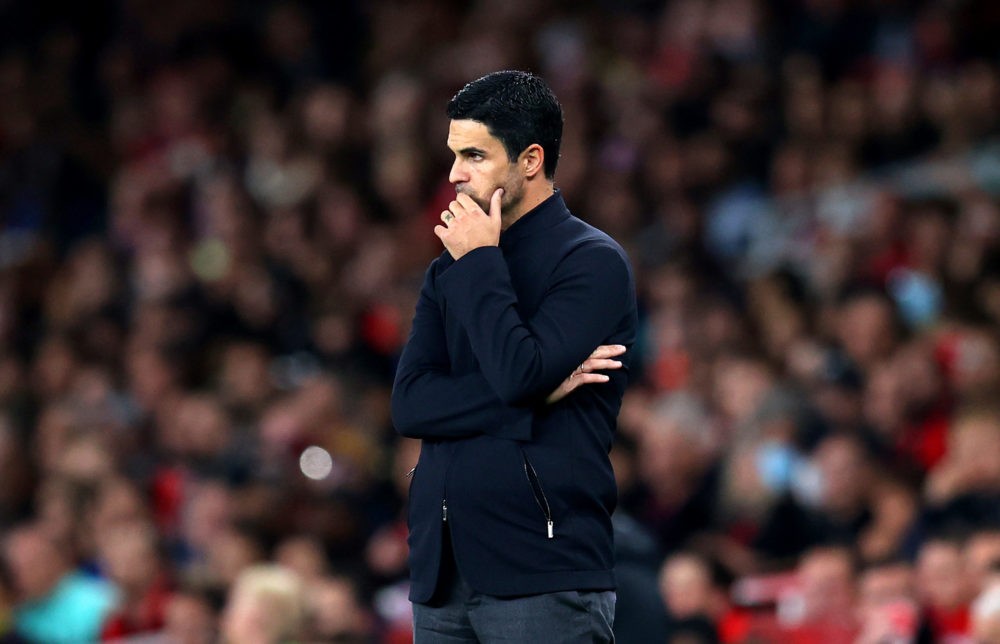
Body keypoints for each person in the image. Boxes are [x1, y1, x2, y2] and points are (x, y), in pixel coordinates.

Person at [391, 70, 638, 643]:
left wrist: (480, 263)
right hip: (442, 572)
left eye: (474, 155)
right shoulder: (448, 265)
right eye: (454, 155)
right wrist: (533, 397)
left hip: (542, 570)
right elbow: (410, 406)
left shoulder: (591, 262)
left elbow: (516, 371)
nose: (454, 174)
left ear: (530, 160)